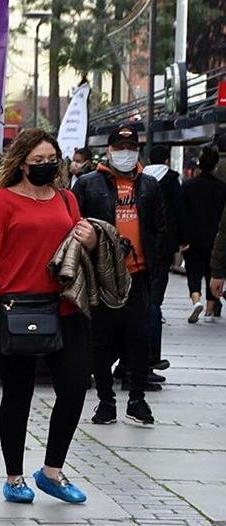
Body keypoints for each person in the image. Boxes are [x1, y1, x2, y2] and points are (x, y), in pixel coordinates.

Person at [0, 129, 95, 505]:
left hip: (63, 306)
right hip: (16, 309)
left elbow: (77, 245)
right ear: (22, 164)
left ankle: (52, 471)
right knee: (18, 394)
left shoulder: (67, 198)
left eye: (51, 160)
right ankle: (14, 477)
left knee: (75, 387)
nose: (46, 167)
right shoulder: (3, 201)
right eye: (37, 161)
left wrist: (89, 238)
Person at [73, 125, 165, 426]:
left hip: (138, 275)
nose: (126, 153)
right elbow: (74, 226)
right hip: (103, 276)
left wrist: (157, 268)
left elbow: (160, 228)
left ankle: (137, 400)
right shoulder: (88, 185)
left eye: (131, 147)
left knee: (139, 339)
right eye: (120, 147)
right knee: (101, 340)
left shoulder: (150, 185)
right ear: (109, 151)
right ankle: (105, 401)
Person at [142, 144, 181, 371]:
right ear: (166, 159)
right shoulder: (171, 180)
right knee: (153, 300)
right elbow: (178, 209)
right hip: (163, 244)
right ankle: (148, 357)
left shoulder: (141, 179)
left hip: (139, 246)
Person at [180, 146, 226, 324]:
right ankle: (209, 310)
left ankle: (195, 300)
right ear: (215, 165)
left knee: (193, 271)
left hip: (193, 237)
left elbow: (182, 213)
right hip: (214, 237)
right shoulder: (222, 188)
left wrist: (182, 238)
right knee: (211, 272)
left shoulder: (188, 186)